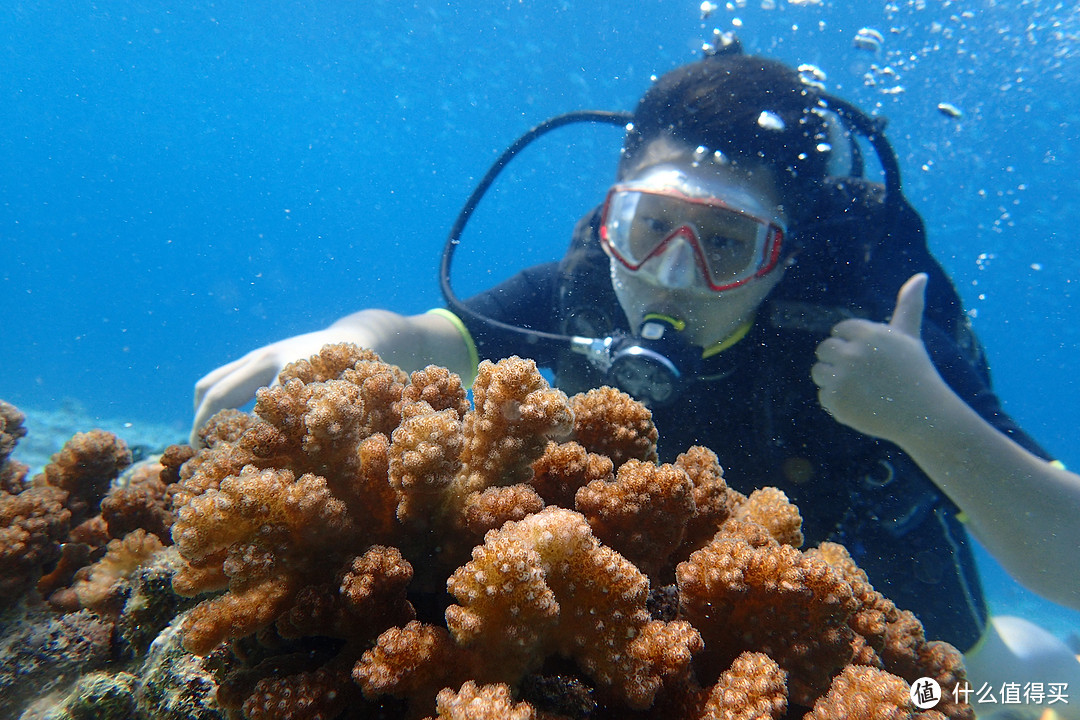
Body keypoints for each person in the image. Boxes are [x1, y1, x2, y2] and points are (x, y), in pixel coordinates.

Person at [191, 42, 1080, 693]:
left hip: (895, 621)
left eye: (726, 242)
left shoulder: (869, 344)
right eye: (651, 226)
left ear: (784, 258)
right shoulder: (577, 299)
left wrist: (926, 417)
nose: (673, 276)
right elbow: (418, 336)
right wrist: (338, 344)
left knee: (994, 683)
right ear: (610, 215)